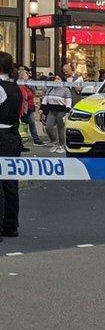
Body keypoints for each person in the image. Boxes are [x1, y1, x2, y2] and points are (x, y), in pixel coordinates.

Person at [0, 51, 24, 242]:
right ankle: (10, 225)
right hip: (12, 137)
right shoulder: (14, 86)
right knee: (10, 183)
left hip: (1, 136)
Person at [40, 75, 72, 154]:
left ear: (62, 81)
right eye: (55, 79)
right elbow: (45, 99)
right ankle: (54, 141)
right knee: (48, 127)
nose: (56, 80)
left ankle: (62, 145)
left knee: (60, 128)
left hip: (62, 111)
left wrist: (67, 112)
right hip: (52, 110)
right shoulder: (50, 89)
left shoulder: (66, 90)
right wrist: (41, 109)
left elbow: (68, 101)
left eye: (58, 78)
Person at [17, 67, 42, 148]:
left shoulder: (28, 85)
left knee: (31, 123)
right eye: (26, 74)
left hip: (30, 107)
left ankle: (35, 139)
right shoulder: (19, 84)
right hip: (23, 108)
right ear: (21, 76)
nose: (28, 75)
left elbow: (34, 92)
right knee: (23, 124)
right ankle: (21, 140)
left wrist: (31, 85)